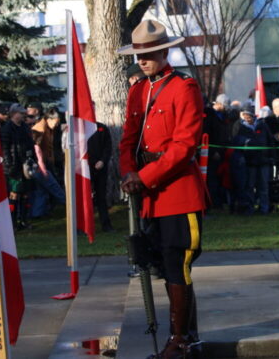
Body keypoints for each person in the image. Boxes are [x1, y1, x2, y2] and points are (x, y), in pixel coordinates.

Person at [117, 19, 206, 358]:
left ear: (165, 51)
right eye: (139, 53)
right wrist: (128, 172)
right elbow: (128, 138)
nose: (143, 60)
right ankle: (187, 335)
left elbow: (184, 146)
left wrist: (145, 175)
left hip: (177, 191)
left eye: (150, 53)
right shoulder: (138, 89)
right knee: (160, 263)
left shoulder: (184, 87)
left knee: (177, 262)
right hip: (147, 195)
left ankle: (180, 339)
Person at [232, 105, 275, 214]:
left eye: (248, 115)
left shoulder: (262, 126)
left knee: (263, 186)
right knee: (250, 186)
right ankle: (250, 208)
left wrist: (271, 156)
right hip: (249, 161)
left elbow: (270, 141)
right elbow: (236, 141)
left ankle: (264, 208)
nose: (247, 118)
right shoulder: (240, 128)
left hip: (263, 160)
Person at [0, 103, 35, 230]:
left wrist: (33, 160)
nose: (23, 115)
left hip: (26, 164)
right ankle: (12, 222)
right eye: (20, 113)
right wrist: (9, 165)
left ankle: (24, 220)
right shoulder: (6, 129)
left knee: (26, 194)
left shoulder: (25, 127)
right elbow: (5, 149)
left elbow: (31, 144)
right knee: (14, 194)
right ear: (14, 114)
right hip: (14, 166)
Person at [30, 108, 66, 219]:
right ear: (49, 119)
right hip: (39, 165)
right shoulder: (40, 128)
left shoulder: (48, 127)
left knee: (42, 190)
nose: (57, 124)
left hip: (43, 163)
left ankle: (37, 214)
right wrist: (42, 167)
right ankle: (70, 207)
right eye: (56, 121)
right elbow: (36, 148)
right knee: (54, 187)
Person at [88, 121, 114, 232]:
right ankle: (85, 226)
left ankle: (106, 225)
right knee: (85, 197)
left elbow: (108, 147)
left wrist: (103, 161)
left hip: (100, 167)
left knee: (101, 197)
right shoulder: (81, 128)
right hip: (85, 167)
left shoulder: (102, 128)